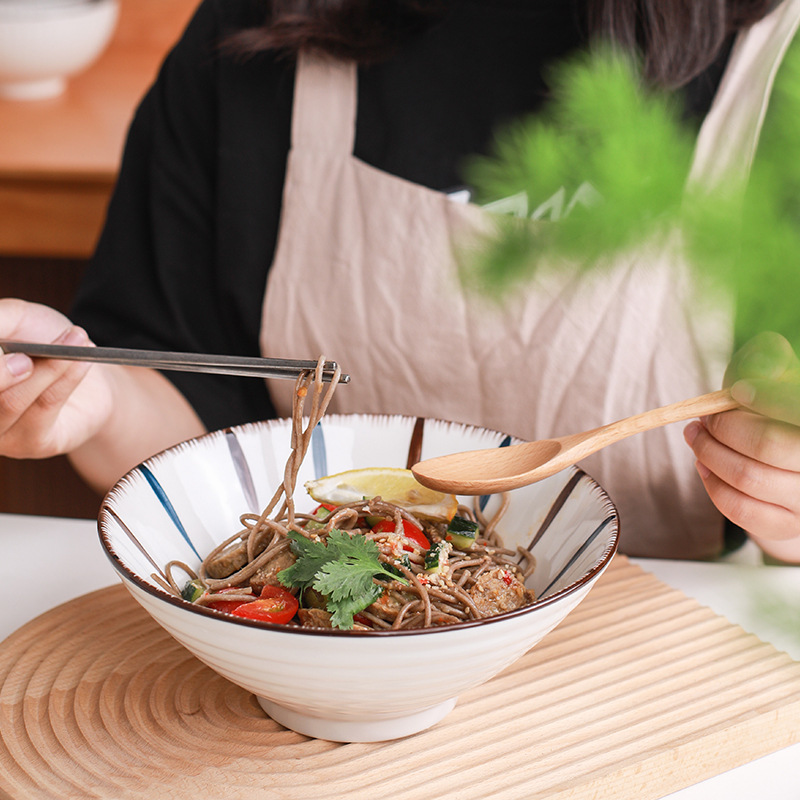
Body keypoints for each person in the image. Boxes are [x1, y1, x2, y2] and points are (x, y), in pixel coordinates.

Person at [1, 0, 799, 563]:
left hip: (660, 653)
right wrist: (88, 398)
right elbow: (189, 412)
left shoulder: (781, 62)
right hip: (319, 649)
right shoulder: (259, 27)